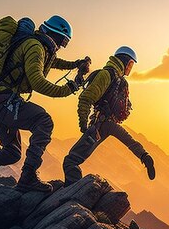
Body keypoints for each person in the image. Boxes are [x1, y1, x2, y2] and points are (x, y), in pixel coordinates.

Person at [0, 15, 90, 192]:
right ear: (54, 34)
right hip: (5, 101)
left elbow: (52, 62)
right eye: (62, 41)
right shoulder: (35, 47)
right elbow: (37, 82)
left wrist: (76, 64)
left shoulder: (36, 45)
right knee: (44, 121)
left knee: (12, 152)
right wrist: (71, 87)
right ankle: (28, 176)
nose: (61, 46)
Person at [62, 46, 155, 186]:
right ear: (125, 61)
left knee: (71, 161)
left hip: (99, 125)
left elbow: (85, 98)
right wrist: (143, 155)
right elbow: (128, 138)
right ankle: (145, 156)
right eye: (130, 64)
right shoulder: (117, 79)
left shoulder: (107, 74)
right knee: (129, 141)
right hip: (111, 125)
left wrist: (83, 125)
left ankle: (72, 193)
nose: (130, 68)